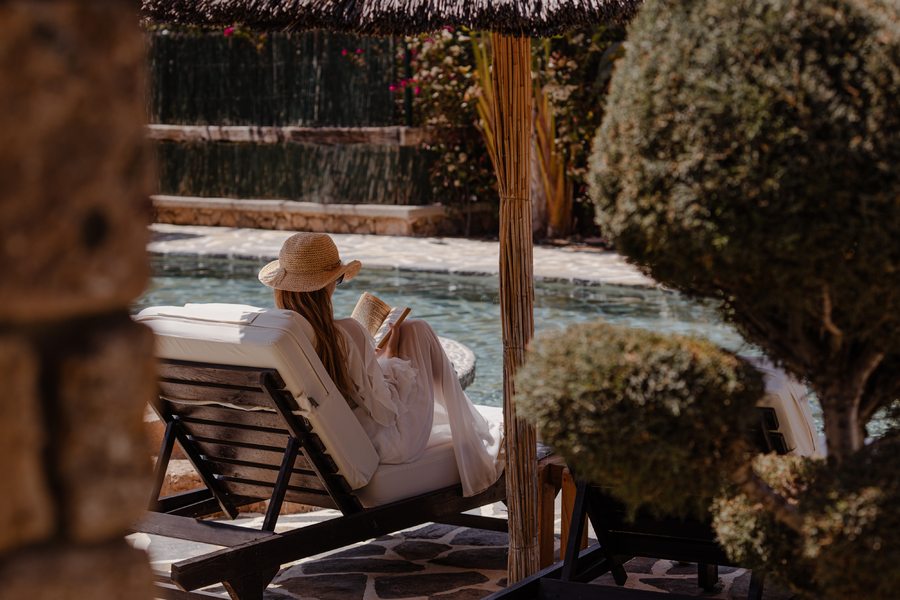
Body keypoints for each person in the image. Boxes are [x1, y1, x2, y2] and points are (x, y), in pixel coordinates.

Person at [258, 232, 504, 497]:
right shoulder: (344, 334)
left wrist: (369, 364)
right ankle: (469, 429)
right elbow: (386, 412)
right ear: (325, 285)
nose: (336, 285)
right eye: (337, 279)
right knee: (416, 329)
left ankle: (465, 423)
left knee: (409, 330)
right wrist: (391, 357)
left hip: (310, 446)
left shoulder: (273, 335)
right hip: (380, 445)